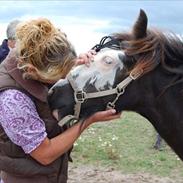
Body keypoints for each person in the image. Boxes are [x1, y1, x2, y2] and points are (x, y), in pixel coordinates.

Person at [0, 18, 121, 183]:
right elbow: (45, 154)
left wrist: (72, 62)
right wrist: (88, 120)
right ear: (32, 70)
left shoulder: (28, 56)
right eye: (59, 75)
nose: (64, 78)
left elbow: (47, 63)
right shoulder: (12, 100)